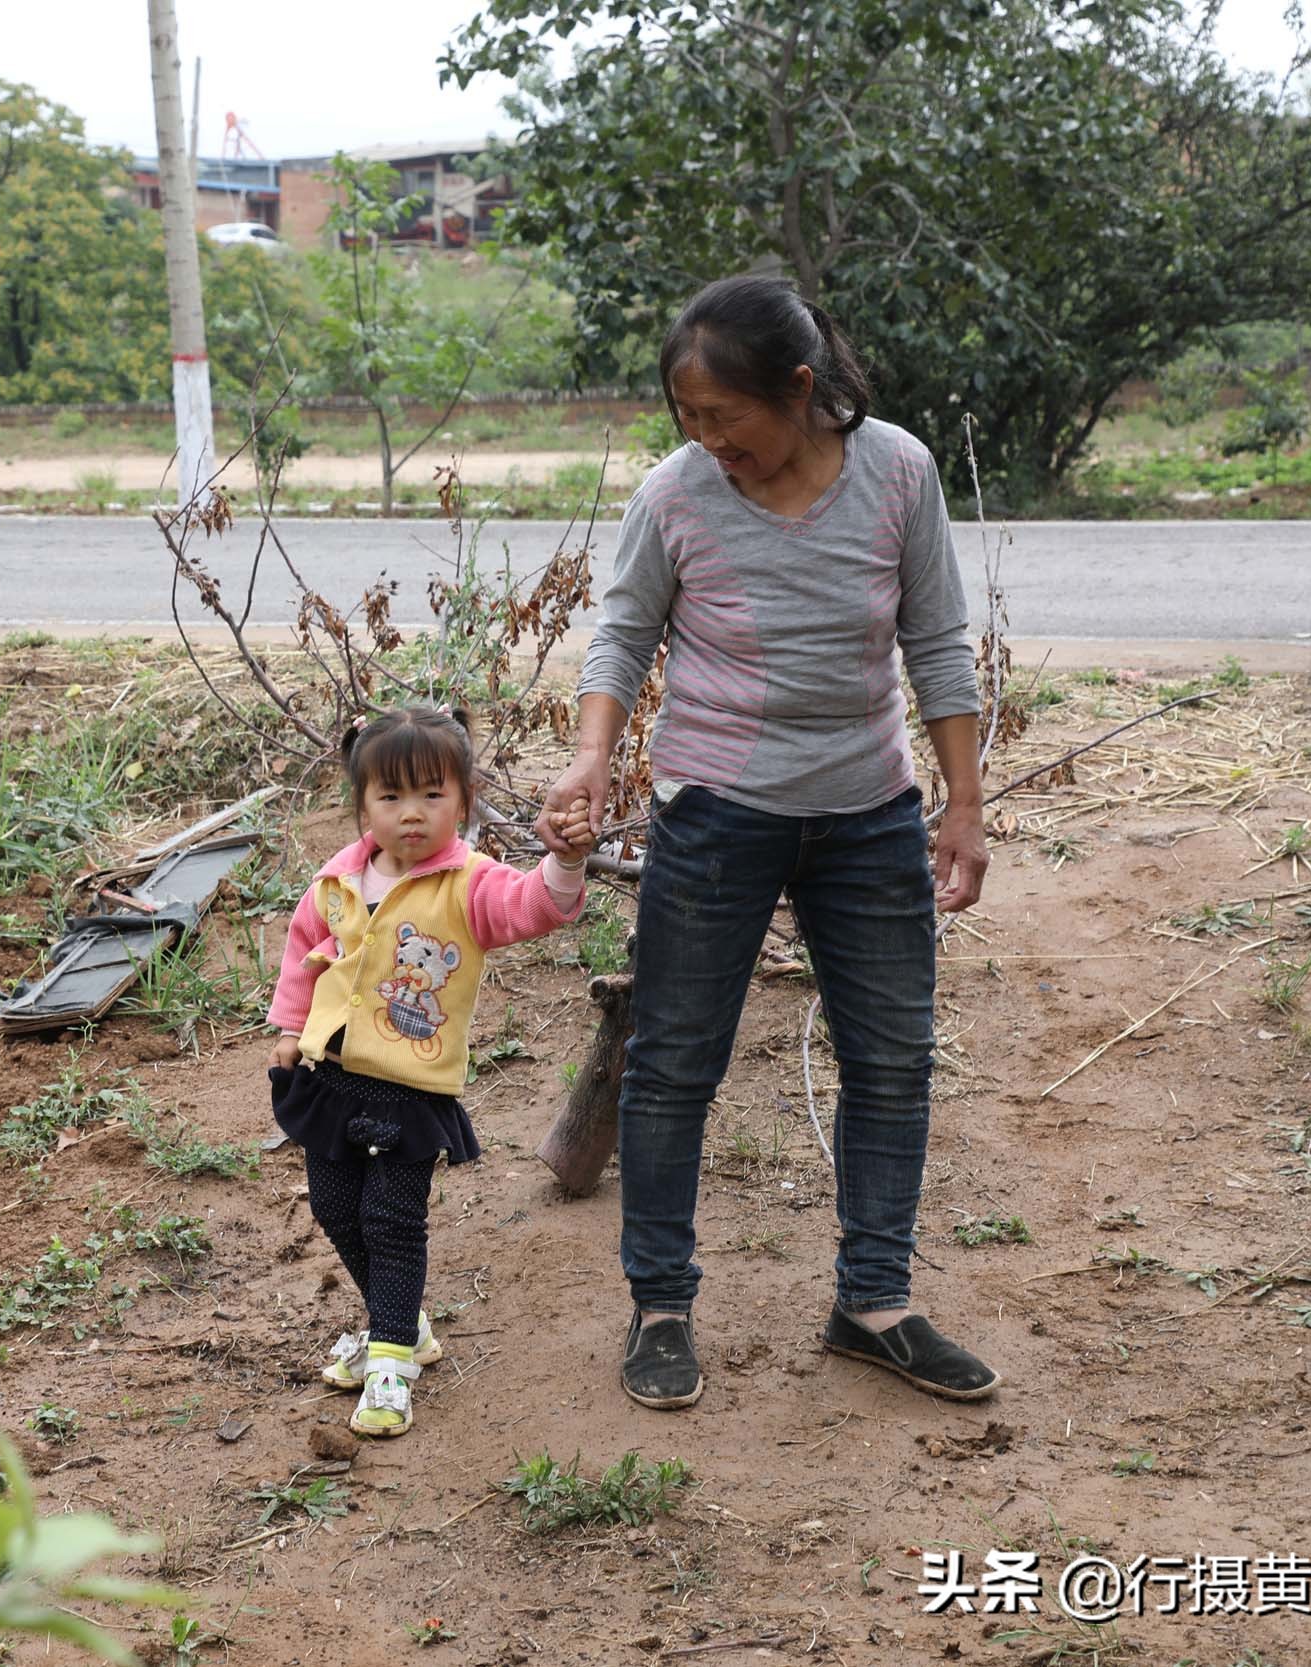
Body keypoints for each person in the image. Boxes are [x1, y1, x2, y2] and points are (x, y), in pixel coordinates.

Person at [535, 274, 1002, 1412]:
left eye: (723, 416)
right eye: (686, 418)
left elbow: (937, 643)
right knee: (675, 1065)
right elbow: (621, 634)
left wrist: (962, 802)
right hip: (716, 814)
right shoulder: (676, 494)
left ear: (799, 389)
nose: (706, 439)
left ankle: (873, 1301)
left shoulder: (898, 471)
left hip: (869, 813)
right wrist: (592, 756)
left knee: (890, 1061)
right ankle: (659, 1303)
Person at [266, 706, 595, 1439]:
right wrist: (290, 1030)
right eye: (390, 797)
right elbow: (304, 951)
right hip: (329, 1075)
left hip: (408, 1088)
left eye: (431, 795)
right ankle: (402, 1325)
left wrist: (565, 862)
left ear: (464, 801)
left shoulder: (468, 884)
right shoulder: (339, 878)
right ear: (362, 805)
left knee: (392, 1218)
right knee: (334, 1206)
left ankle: (390, 1363)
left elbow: (535, 906)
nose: (411, 814)